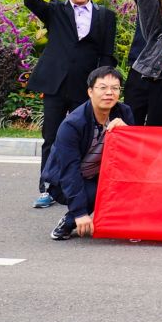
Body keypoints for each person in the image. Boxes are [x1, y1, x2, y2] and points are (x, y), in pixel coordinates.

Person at [24, 0, 117, 209]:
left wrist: (103, 87)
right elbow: (31, 1)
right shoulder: (55, 11)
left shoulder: (106, 16)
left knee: (85, 139)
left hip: (85, 89)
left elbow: (107, 55)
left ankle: (78, 186)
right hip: (55, 84)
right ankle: (47, 187)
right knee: (51, 137)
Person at [44, 66, 130, 241]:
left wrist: (127, 133)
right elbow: (69, 170)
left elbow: (131, 156)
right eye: (103, 88)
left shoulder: (124, 113)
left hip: (99, 174)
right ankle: (69, 222)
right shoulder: (72, 124)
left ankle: (126, 225)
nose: (109, 93)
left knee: (127, 185)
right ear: (90, 92)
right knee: (96, 192)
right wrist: (80, 213)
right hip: (64, 181)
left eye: (115, 88)